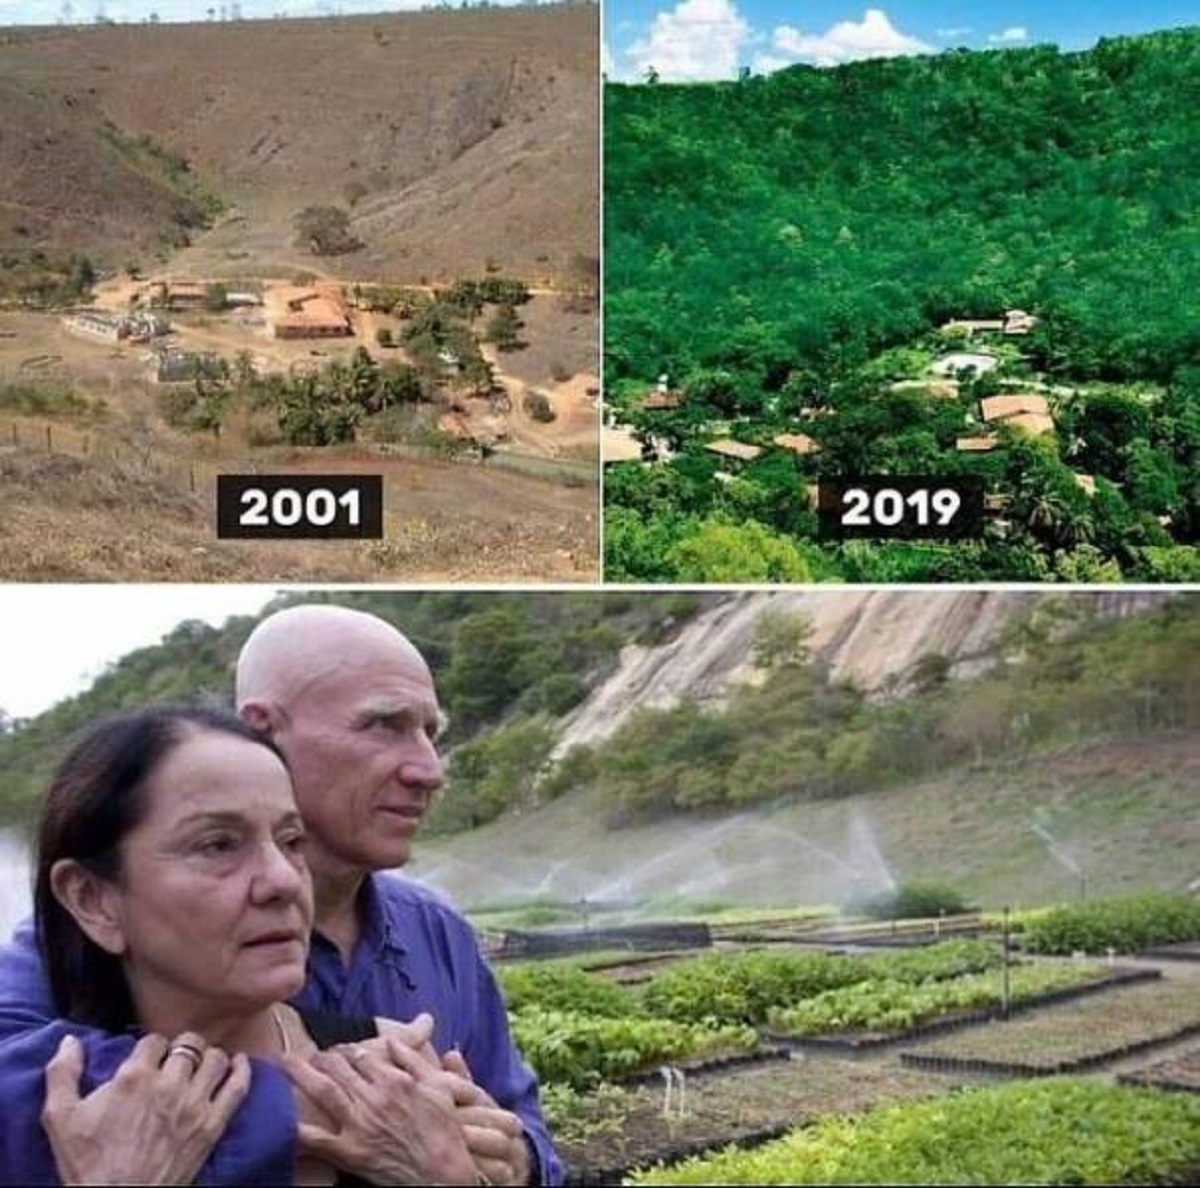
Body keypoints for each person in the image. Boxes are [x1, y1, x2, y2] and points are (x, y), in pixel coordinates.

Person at [0, 606, 561, 1185]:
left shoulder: (439, 935)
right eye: (383, 725)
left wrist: (505, 1162)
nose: (429, 769)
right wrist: (312, 1103)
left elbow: (519, 1131)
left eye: (430, 732)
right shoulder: (69, 950)